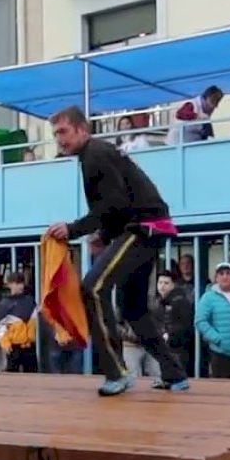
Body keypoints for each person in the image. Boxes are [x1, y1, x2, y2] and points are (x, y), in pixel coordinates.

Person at [43, 105, 189, 395]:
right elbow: (117, 205)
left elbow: (113, 205)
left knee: (93, 289)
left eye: (63, 131)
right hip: (147, 227)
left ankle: (116, 372)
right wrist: (104, 233)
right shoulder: (98, 153)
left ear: (82, 129)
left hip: (141, 228)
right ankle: (174, 374)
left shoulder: (94, 155)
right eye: (55, 134)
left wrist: (73, 229)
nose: (59, 139)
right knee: (133, 309)